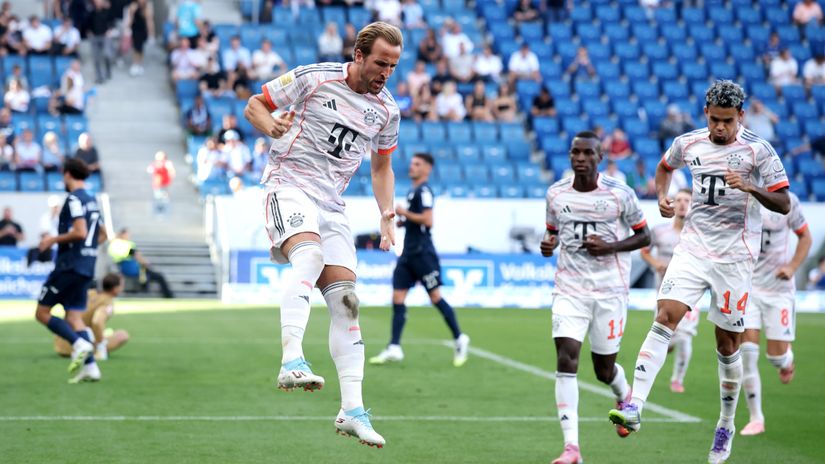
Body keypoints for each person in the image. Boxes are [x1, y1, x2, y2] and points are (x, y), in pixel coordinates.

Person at [608, 80, 791, 464]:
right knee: (665, 315)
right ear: (705, 113)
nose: (720, 128)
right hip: (692, 249)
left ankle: (725, 423)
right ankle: (634, 404)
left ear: (741, 116)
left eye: (727, 121)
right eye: (714, 120)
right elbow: (664, 168)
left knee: (727, 344)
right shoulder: (688, 143)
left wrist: (752, 188)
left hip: (735, 259)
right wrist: (661, 196)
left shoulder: (758, 151)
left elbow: (785, 202)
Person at [243, 21, 402, 448]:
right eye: (380, 63)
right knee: (308, 257)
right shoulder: (314, 78)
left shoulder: (387, 111)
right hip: (288, 182)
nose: (386, 73)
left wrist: (387, 213)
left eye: (393, 66)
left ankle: (352, 410)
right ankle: (290, 358)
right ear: (359, 57)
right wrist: (271, 126)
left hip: (332, 204)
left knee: (347, 302)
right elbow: (255, 104)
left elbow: (382, 167)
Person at [541, 131, 650, 464]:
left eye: (587, 153)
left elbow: (644, 235)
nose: (580, 158)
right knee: (566, 357)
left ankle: (624, 394)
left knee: (603, 369)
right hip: (569, 289)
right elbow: (552, 232)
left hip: (609, 291)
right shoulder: (556, 194)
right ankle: (572, 447)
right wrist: (548, 245)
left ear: (599, 158)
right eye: (575, 152)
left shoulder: (620, 194)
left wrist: (611, 247)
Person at [370, 153, 470, 367]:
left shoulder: (424, 191)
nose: (412, 166)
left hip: (423, 253)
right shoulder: (413, 191)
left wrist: (404, 212)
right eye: (412, 163)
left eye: (417, 164)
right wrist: (403, 222)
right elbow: (418, 221)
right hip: (408, 253)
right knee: (398, 296)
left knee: (435, 297)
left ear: (427, 169)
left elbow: (428, 220)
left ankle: (460, 338)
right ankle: (394, 347)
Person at [740, 193, 811, 436]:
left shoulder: (788, 201)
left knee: (776, 358)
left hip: (778, 291)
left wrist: (792, 267)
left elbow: (805, 237)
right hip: (748, 288)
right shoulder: (740, 197)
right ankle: (756, 417)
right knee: (747, 353)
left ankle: (786, 361)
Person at [34, 158, 107, 384]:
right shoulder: (92, 200)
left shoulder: (74, 198)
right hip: (87, 266)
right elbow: (102, 234)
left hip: (69, 264)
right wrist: (88, 252)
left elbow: (80, 232)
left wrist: (52, 240)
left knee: (42, 313)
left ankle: (78, 344)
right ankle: (91, 368)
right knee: (74, 315)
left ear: (67, 174)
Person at [640, 189, 699, 393]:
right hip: (663, 295)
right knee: (665, 336)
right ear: (672, 205)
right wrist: (656, 263)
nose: (682, 204)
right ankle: (667, 349)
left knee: (685, 337)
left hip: (691, 293)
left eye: (687, 201)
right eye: (679, 200)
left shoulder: (698, 233)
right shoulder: (659, 231)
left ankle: (677, 379)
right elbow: (644, 252)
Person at [54, 273, 128, 361]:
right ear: (115, 288)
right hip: (78, 346)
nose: (122, 288)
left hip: (61, 344)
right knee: (122, 335)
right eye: (122, 285)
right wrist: (101, 345)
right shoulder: (108, 302)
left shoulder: (89, 293)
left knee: (101, 332)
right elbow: (97, 321)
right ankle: (97, 352)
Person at [108, 228, 174, 298]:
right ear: (122, 234)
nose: (128, 236)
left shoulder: (117, 243)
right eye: (127, 234)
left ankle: (145, 287)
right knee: (152, 275)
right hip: (129, 267)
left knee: (148, 274)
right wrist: (145, 262)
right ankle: (164, 294)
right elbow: (134, 254)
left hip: (130, 266)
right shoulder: (121, 244)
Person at [126, 0, 154, 77]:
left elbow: (149, 22)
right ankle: (135, 64)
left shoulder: (147, 7)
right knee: (136, 48)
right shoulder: (133, 6)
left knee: (141, 49)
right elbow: (130, 19)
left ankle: (139, 64)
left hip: (143, 31)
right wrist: (127, 28)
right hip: (135, 30)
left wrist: (151, 34)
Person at [88, 0, 113, 84]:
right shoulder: (91, 12)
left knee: (107, 54)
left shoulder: (107, 11)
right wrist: (90, 33)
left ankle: (108, 71)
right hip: (95, 37)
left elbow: (111, 22)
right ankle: (99, 76)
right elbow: (87, 24)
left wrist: (109, 31)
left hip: (105, 36)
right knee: (96, 58)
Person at [147, 151, 175, 216]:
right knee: (157, 197)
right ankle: (158, 212)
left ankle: (165, 212)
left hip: (165, 183)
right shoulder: (155, 164)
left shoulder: (167, 163)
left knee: (164, 197)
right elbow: (149, 169)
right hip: (157, 184)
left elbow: (171, 171)